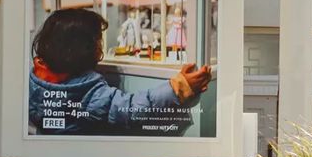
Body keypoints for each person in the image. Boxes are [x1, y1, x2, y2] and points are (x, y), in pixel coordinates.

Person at [29, 8, 212, 136]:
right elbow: (131, 110)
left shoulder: (36, 80)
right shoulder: (87, 93)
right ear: (80, 49)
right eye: (97, 41)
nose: (100, 46)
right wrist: (178, 87)